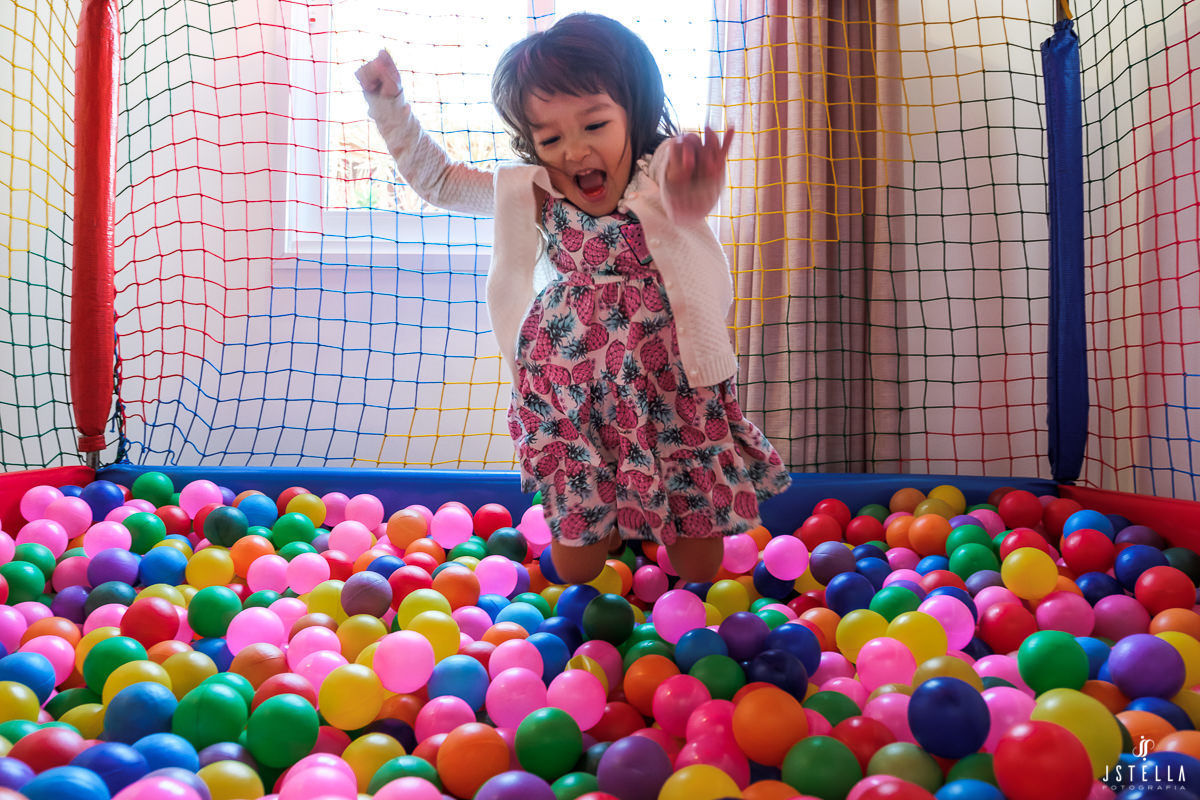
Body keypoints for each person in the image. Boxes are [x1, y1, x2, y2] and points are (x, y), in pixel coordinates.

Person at [357, 13, 790, 584]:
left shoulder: (656, 174)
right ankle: (606, 515)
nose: (575, 151)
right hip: (571, 380)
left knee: (699, 564)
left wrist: (698, 182)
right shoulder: (534, 189)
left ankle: (654, 527)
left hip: (667, 378)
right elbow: (439, 182)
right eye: (551, 138)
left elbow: (688, 196)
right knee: (578, 566)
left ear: (634, 112)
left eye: (595, 124)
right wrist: (389, 105)